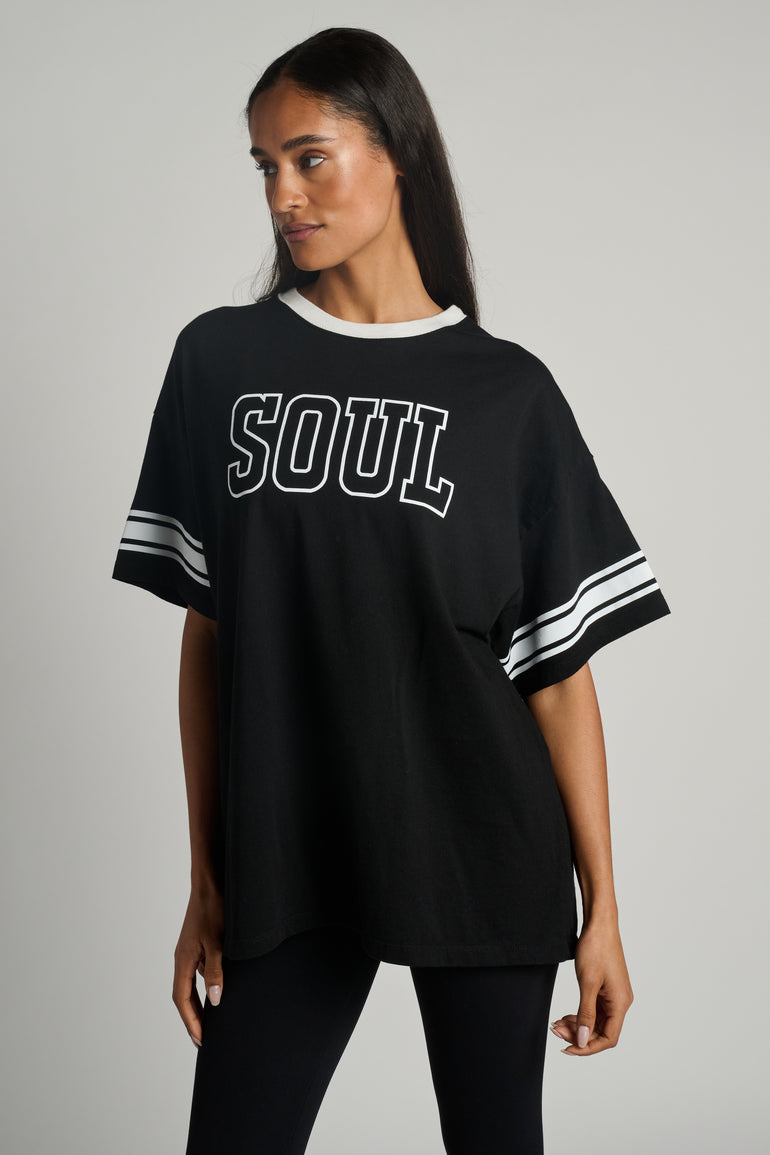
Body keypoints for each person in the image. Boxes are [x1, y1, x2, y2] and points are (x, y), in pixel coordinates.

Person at [111, 26, 671, 1155]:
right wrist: (207, 877)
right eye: (265, 165)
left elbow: (557, 675)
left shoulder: (507, 392)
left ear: (398, 151)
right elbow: (210, 637)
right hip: (288, 855)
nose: (282, 193)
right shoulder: (220, 361)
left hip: (483, 848)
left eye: (310, 158)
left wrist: (603, 909)